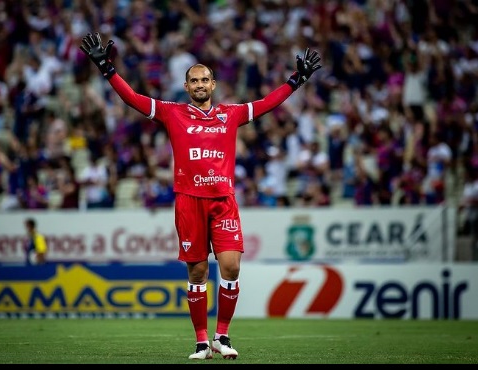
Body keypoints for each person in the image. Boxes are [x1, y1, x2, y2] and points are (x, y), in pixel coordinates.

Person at [80, 32, 321, 360]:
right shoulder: (171, 112)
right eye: (194, 80)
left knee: (231, 267)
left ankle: (222, 335)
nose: (199, 84)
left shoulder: (230, 114)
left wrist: (297, 79)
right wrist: (107, 68)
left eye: (205, 79)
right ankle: (201, 341)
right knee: (197, 273)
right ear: (186, 86)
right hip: (188, 201)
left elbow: (266, 103)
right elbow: (133, 98)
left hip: (223, 201)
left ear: (213, 84)